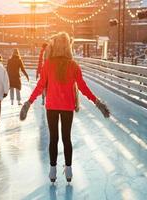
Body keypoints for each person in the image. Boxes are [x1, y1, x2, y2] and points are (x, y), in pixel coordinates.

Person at [20, 32, 110, 183]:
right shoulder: (73, 65)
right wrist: (97, 102)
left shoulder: (48, 64)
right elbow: (82, 87)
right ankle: (68, 170)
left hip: (52, 106)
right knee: (66, 138)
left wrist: (29, 102)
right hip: (67, 106)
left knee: (53, 139)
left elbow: (40, 86)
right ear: (68, 46)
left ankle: (53, 171)